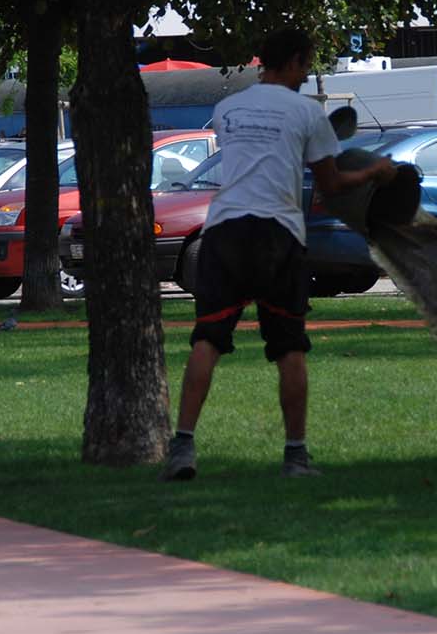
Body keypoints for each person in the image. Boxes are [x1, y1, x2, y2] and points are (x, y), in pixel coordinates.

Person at [162, 28, 398, 482]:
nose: (307, 73)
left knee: (207, 340)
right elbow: (330, 187)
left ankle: (184, 447)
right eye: (306, 63)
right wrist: (375, 172)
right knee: (290, 347)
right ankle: (295, 457)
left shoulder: (226, 109)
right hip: (278, 235)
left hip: (224, 231)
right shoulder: (307, 114)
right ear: (292, 61)